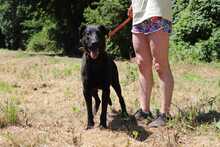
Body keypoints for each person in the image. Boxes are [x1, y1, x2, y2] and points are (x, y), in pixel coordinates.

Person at [128, 0, 174, 127]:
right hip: (139, 12)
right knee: (142, 64)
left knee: (160, 65)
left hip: (157, 9)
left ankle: (165, 115)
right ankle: (144, 111)